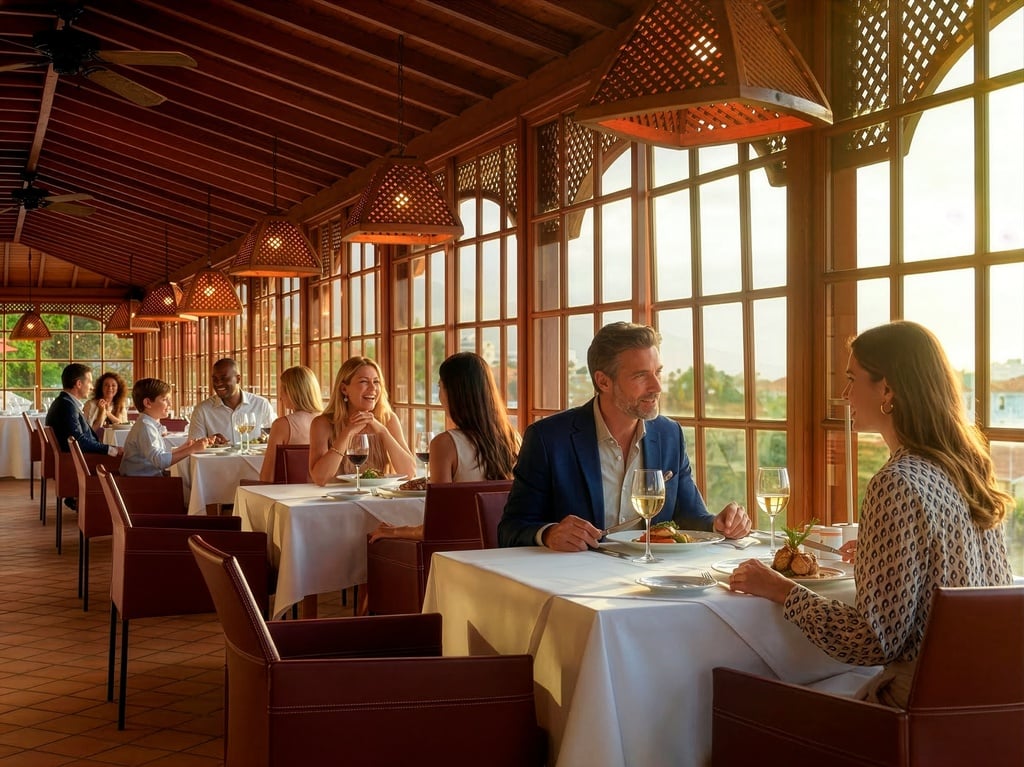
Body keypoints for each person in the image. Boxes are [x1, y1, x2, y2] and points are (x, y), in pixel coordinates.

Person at [727, 321, 1014, 708]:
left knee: (739, 698)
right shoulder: (970, 469)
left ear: (888, 390)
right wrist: (882, 555)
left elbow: (871, 641)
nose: (845, 395)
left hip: (915, 706)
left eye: (852, 379)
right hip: (986, 704)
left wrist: (782, 590)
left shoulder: (896, 482)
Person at [498, 322, 750, 550]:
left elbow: (690, 517)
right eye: (641, 376)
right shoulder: (548, 438)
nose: (657, 387)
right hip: (575, 578)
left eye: (658, 372)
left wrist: (719, 524)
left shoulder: (669, 434)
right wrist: (549, 533)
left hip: (651, 575)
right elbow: (510, 529)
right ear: (603, 382)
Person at [370, 352, 522, 542]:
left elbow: (440, 524)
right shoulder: (513, 438)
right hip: (506, 545)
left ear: (452, 392)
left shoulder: (445, 444)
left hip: (460, 551)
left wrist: (394, 531)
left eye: (439, 386)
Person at [309, 356, 417, 487]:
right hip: (334, 498)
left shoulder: (388, 419)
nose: (373, 388)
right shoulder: (322, 423)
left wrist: (383, 431)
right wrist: (347, 433)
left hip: (378, 497)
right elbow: (320, 478)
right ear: (344, 389)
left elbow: (409, 473)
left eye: (376, 382)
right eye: (364, 382)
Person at [120, 378, 210, 476]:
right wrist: (192, 450)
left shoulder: (146, 424)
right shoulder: (146, 427)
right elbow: (160, 461)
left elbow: (160, 456)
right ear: (148, 403)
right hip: (140, 482)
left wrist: (186, 447)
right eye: (164, 400)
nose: (170, 404)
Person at [187, 358, 275, 445]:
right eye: (215, 379)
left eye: (224, 378)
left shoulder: (261, 405)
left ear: (238, 379)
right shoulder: (202, 410)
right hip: (218, 455)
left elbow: (274, 438)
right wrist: (209, 442)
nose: (218, 383)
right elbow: (193, 446)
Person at [259, 365, 323, 482]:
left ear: (292, 392)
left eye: (282, 390)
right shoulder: (328, 421)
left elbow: (267, 477)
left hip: (288, 491)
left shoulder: (282, 425)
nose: (280, 397)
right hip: (322, 489)